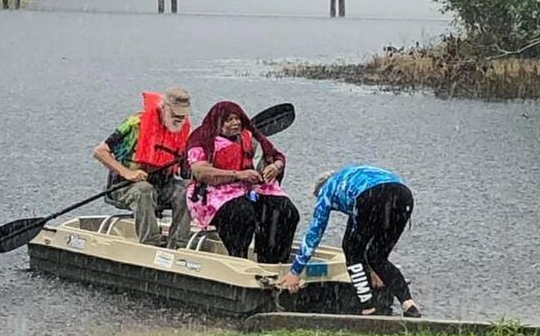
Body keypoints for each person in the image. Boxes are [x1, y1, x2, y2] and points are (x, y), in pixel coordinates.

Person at [280, 165, 421, 318]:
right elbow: (367, 228)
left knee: (351, 251)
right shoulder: (349, 177)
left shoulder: (327, 190)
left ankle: (368, 307)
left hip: (371, 196)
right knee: (377, 256)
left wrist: (295, 271)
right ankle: (408, 305)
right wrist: (375, 269)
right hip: (403, 196)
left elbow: (315, 232)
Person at [186, 101, 299, 263]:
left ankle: (271, 258)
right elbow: (200, 172)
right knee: (241, 213)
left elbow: (277, 156)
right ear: (218, 122)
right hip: (211, 193)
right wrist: (238, 175)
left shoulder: (247, 136)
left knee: (285, 210)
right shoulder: (201, 138)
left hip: (245, 188)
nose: (235, 123)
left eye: (237, 119)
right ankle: (238, 257)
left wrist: (275, 166)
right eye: (229, 120)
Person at [94, 88, 192, 249]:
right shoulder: (135, 125)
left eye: (183, 116)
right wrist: (128, 173)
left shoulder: (182, 130)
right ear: (163, 108)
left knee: (188, 189)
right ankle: (150, 243)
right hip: (125, 186)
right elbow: (100, 152)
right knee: (144, 189)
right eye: (176, 115)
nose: (180, 120)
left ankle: (178, 245)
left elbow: (185, 170)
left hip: (163, 186)